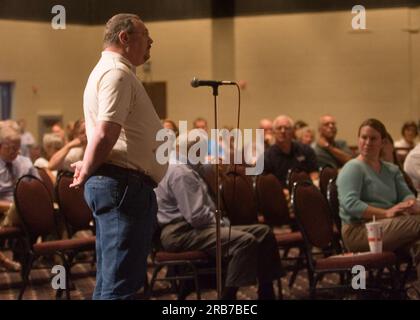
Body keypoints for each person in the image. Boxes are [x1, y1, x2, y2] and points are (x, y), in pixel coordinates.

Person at [70, 13, 168, 300]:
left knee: (111, 282)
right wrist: (88, 167)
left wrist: (90, 163)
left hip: (121, 183)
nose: (151, 41)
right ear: (124, 38)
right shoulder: (117, 73)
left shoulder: (111, 71)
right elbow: (104, 133)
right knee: (120, 287)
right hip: (124, 186)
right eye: (145, 34)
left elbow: (104, 135)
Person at [155, 129, 283, 300]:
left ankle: (266, 292)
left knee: (264, 232)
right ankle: (227, 298)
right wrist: (222, 223)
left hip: (190, 228)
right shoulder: (181, 173)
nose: (206, 156)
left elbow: (203, 171)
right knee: (244, 242)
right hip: (181, 232)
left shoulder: (179, 166)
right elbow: (197, 217)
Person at [337, 119, 420, 294]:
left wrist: (410, 203)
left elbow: (406, 194)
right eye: (363, 137)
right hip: (359, 231)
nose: (367, 143)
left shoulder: (391, 170)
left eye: (373, 138)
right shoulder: (352, 168)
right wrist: (386, 213)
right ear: (358, 139)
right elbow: (350, 204)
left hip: (390, 227)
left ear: (383, 142)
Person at [0, 121, 39, 271]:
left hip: (25, 209)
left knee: (56, 213)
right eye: (10, 148)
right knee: (18, 208)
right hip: (4, 211)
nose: (14, 152)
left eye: (17, 148)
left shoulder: (25, 162)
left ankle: (61, 269)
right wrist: (12, 207)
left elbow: (38, 189)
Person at [264, 115, 319, 187]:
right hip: (280, 194)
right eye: (279, 128)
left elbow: (314, 173)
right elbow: (265, 183)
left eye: (286, 128)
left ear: (292, 131)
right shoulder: (267, 156)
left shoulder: (306, 150)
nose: (283, 131)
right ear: (274, 132)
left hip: (305, 191)